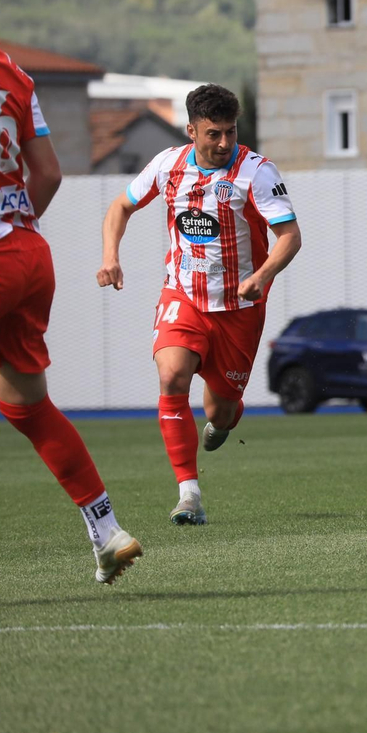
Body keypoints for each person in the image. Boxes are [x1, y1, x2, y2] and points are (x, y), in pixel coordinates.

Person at [0, 0, 141, 583]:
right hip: (28, 256)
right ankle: (108, 531)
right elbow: (50, 173)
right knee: (28, 406)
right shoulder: (13, 73)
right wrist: (8, 224)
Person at [97, 84, 301, 526]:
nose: (224, 143)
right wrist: (110, 256)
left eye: (230, 132)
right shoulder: (167, 165)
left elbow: (290, 236)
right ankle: (188, 493)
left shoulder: (257, 173)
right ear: (191, 130)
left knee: (219, 411)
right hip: (183, 295)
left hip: (239, 310)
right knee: (172, 375)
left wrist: (261, 276)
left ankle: (225, 420)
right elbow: (120, 206)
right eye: (214, 134)